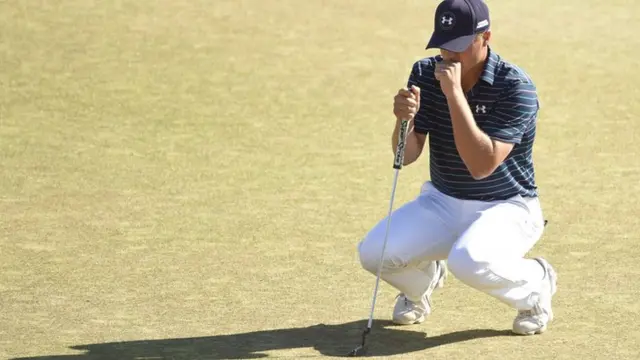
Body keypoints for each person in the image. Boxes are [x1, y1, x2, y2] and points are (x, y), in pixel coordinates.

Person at [357, 0, 557, 336]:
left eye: (459, 48)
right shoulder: (424, 72)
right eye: (444, 47)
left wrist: (453, 94)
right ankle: (422, 284)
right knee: (374, 254)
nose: (449, 57)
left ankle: (535, 285)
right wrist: (402, 121)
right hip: (442, 201)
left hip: (507, 207)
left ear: (486, 37)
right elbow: (407, 156)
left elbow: (481, 165)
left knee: (469, 262)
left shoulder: (516, 88)